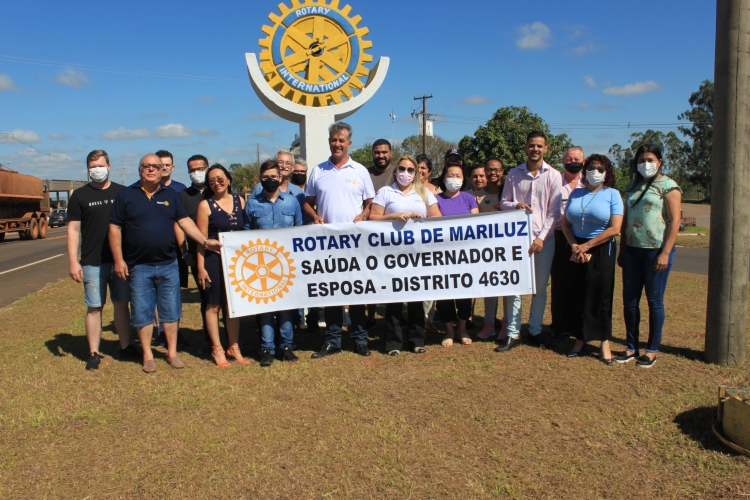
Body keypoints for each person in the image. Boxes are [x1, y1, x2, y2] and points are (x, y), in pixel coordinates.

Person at [109, 153, 222, 374]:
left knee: (170, 311)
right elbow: (115, 228)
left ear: (163, 170)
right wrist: (118, 259)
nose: (150, 169)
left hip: (169, 264)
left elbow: (184, 222)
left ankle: (172, 353)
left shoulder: (172, 195)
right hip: (138, 266)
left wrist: (204, 241)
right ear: (139, 169)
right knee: (142, 313)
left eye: (155, 166)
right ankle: (148, 356)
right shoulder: (125, 195)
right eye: (146, 166)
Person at [302, 122, 376, 358]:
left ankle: (360, 339)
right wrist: (314, 216)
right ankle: (333, 340)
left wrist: (363, 214)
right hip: (327, 244)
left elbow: (370, 202)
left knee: (356, 292)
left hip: (355, 243)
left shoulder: (360, 171)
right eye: (334, 140)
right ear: (329, 142)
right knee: (331, 292)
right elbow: (306, 201)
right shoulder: (318, 171)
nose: (337, 144)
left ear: (349, 143)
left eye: (341, 140)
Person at [67, 150, 136, 370]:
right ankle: (93, 352)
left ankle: (125, 347)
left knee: (121, 304)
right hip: (92, 262)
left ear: (109, 166)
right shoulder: (79, 196)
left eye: (100, 165)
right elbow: (73, 230)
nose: (96, 170)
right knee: (95, 306)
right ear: (88, 169)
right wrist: (73, 261)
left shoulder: (123, 192)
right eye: (92, 166)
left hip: (119, 261)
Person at [616, 144, 682, 368]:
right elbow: (625, 221)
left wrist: (665, 252)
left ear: (660, 162)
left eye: (650, 160)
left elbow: (675, 221)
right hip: (633, 250)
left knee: (654, 301)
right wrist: (622, 248)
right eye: (641, 160)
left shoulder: (669, 186)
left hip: (656, 250)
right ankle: (631, 346)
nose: (646, 164)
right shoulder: (632, 186)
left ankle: (652, 349)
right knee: (630, 301)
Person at [369, 155, 441, 355]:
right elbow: (372, 217)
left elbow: (437, 217)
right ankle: (393, 343)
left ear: (416, 174)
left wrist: (422, 219)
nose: (406, 173)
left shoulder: (424, 193)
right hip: (391, 254)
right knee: (394, 299)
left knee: (416, 298)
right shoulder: (385, 192)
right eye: (402, 169)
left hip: (417, 255)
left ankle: (417, 341)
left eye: (411, 170)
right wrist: (392, 216)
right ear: (395, 171)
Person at [497, 131, 562, 352]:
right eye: (532, 145)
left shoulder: (554, 175)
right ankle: (513, 333)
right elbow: (503, 202)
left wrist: (541, 238)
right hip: (516, 239)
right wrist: (515, 205)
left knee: (540, 288)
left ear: (546, 149)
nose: (535, 149)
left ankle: (534, 331)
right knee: (514, 286)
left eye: (539, 146)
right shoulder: (514, 174)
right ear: (525, 147)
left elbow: (555, 212)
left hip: (544, 241)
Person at [561, 154, 623, 364]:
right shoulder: (576, 193)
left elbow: (615, 228)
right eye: (591, 168)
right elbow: (566, 224)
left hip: (601, 248)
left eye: (600, 169)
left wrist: (587, 246)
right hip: (576, 248)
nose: (595, 172)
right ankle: (580, 338)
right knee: (578, 293)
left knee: (601, 295)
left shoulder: (613, 194)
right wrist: (575, 246)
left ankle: (604, 341)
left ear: (607, 174)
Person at [244, 159, 303, 366]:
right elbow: (246, 233)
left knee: (286, 307)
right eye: (266, 177)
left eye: (273, 177)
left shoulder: (292, 202)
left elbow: (299, 230)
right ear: (261, 179)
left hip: (287, 264)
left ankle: (286, 346)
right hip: (263, 266)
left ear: (281, 177)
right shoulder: (252, 203)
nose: (270, 180)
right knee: (266, 308)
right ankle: (267, 348)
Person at [195, 164, 247, 367]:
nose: (216, 182)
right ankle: (216, 348)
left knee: (233, 306)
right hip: (213, 261)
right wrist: (201, 267)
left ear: (229, 179)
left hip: (236, 261)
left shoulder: (240, 200)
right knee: (214, 305)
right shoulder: (205, 205)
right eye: (211, 180)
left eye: (220, 178)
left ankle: (233, 346)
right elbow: (200, 239)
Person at [435, 160, 479, 347]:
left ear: (463, 179)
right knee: (444, 294)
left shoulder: (469, 199)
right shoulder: (435, 200)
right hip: (442, 256)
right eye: (450, 175)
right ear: (444, 178)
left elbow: (477, 225)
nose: (454, 179)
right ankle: (449, 330)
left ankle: (462, 328)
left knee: (464, 293)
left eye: (458, 176)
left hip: (465, 255)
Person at [551, 147, 586, 339]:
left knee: (579, 282)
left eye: (577, 158)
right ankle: (558, 325)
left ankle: (576, 324)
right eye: (569, 158)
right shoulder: (555, 181)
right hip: (558, 236)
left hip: (581, 238)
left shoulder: (588, 183)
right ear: (563, 161)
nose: (573, 161)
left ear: (584, 160)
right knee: (559, 282)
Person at [178, 155, 212, 353]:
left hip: (223, 255)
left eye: (200, 168)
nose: (197, 173)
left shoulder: (216, 190)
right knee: (206, 299)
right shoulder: (183, 196)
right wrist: (185, 253)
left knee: (225, 299)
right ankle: (209, 340)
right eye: (192, 170)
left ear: (207, 168)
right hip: (199, 257)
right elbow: (179, 226)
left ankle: (232, 339)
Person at [474, 157, 506, 341]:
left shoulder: (508, 194)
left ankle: (506, 324)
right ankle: (489, 325)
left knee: (508, 286)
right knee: (489, 285)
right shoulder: (476, 196)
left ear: (502, 172)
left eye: (497, 170)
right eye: (489, 170)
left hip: (507, 248)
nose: (493, 173)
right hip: (485, 249)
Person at [365, 139, 393, 328]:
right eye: (377, 152)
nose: (380, 156)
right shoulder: (365, 173)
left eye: (384, 152)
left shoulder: (398, 172)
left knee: (393, 275)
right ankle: (370, 315)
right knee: (371, 274)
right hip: (370, 231)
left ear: (390, 153)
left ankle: (393, 315)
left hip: (393, 233)